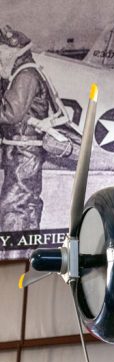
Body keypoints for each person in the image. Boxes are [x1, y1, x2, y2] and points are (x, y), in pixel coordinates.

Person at [0, 25, 51, 230]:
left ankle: (14, 257)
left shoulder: (25, 76)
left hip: (25, 151)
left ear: (13, 52)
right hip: (23, 149)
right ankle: (27, 252)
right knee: (25, 203)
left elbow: (10, 113)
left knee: (14, 205)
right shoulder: (22, 73)